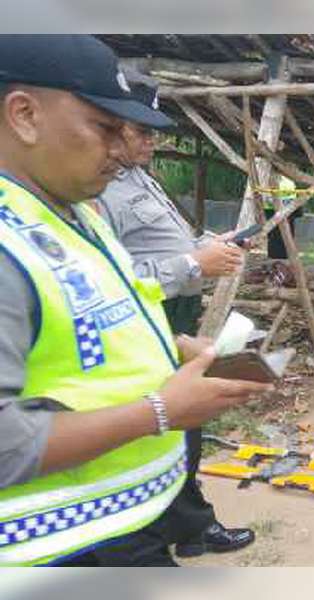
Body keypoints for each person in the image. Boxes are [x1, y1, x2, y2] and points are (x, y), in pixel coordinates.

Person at [0, 35, 269, 567]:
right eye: (105, 129)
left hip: (120, 528)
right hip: (55, 549)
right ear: (25, 115)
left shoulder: (69, 213)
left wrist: (173, 348)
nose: (123, 151)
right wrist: (161, 411)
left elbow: (90, 320)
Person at [95, 71, 255, 561]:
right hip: (145, 312)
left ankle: (186, 525)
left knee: (184, 427)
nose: (150, 139)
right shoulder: (94, 189)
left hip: (172, 311)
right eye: (139, 129)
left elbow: (158, 245)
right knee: (169, 425)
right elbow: (109, 275)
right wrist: (191, 264)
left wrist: (204, 247)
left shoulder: (138, 176)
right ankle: (184, 526)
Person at [264, 171, 301, 259]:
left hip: (272, 211)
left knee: (274, 236)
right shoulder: (289, 182)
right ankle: (284, 256)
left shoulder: (267, 178)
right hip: (286, 211)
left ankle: (275, 256)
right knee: (286, 235)